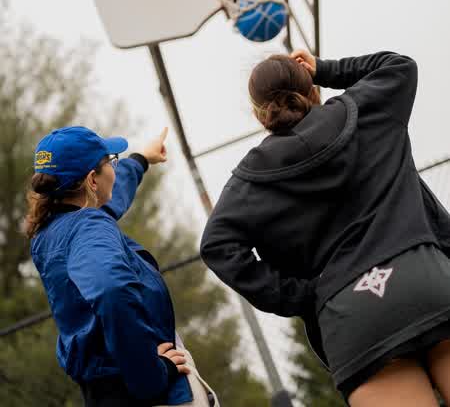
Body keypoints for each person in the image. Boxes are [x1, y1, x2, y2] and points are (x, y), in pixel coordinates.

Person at [200, 50, 450, 406]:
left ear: (259, 115)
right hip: (426, 280)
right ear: (312, 89)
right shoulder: (366, 109)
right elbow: (399, 66)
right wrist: (324, 68)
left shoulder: (249, 181)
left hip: (352, 319)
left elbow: (215, 246)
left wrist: (302, 296)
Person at [25, 125, 218, 407]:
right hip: (148, 393)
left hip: (105, 391)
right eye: (111, 162)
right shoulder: (89, 227)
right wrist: (152, 373)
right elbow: (112, 291)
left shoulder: (51, 231)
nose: (114, 169)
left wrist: (141, 159)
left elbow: (109, 199)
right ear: (92, 180)